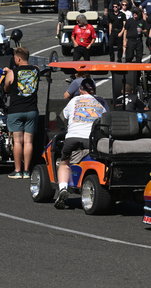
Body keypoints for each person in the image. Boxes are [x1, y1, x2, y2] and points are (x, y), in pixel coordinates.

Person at [54, 79, 109, 209]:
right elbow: (107, 118)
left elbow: (65, 117)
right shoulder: (101, 101)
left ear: (80, 90)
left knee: (64, 162)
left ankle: (62, 188)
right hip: (92, 140)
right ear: (94, 90)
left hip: (73, 138)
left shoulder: (74, 101)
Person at [3, 47, 40, 179]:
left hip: (16, 110)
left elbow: (6, 88)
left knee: (17, 141)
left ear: (18, 58)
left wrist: (8, 73)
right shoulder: (36, 70)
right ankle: (27, 170)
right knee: (28, 142)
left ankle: (18, 171)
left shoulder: (13, 72)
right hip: (31, 110)